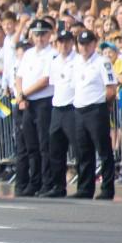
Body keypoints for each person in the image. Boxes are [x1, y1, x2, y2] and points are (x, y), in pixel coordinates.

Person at [71, 29, 118, 199]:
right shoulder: (76, 62)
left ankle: (107, 188)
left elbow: (111, 89)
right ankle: (85, 188)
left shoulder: (102, 62)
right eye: (81, 44)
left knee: (103, 150)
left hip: (96, 108)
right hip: (79, 109)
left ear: (94, 44)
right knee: (83, 152)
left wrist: (105, 106)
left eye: (88, 44)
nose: (84, 47)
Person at [14, 19, 55, 196]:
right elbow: (19, 76)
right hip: (28, 102)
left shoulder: (52, 54)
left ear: (49, 35)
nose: (40, 38)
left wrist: (24, 94)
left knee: (44, 145)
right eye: (37, 34)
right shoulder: (29, 54)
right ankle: (34, 181)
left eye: (43, 34)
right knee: (31, 146)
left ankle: (46, 183)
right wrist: (19, 94)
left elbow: (45, 81)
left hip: (43, 102)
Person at [41, 28, 76, 198]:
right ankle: (57, 186)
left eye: (67, 41)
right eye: (61, 42)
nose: (64, 45)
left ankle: (84, 186)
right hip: (57, 107)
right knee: (55, 150)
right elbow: (55, 84)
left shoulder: (77, 60)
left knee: (79, 148)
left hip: (72, 107)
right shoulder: (54, 62)